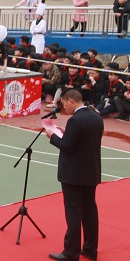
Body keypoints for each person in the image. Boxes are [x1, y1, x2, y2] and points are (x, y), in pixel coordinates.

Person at [43, 88, 103, 261]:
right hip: (91, 172)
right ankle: (90, 249)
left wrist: (52, 137)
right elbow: (84, 141)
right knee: (89, 211)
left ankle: (71, 252)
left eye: (63, 103)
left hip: (74, 175)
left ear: (71, 101)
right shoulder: (96, 117)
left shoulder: (75, 120)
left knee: (73, 213)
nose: (64, 108)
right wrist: (67, 133)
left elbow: (68, 147)